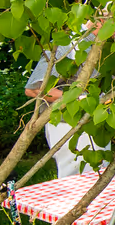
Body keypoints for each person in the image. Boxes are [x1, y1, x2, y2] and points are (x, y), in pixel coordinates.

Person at [23, 19, 104, 179]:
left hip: (95, 123)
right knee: (75, 181)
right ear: (100, 21)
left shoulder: (102, 47)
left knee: (100, 178)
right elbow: (34, 89)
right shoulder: (68, 45)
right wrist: (78, 99)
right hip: (66, 125)